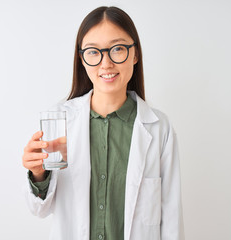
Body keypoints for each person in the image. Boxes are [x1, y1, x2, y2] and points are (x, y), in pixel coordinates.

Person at [22, 6, 185, 240]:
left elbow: (171, 220)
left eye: (118, 49)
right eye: (93, 52)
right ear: (82, 58)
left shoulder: (159, 128)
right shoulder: (59, 120)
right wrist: (38, 174)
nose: (106, 63)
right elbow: (39, 209)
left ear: (135, 53)